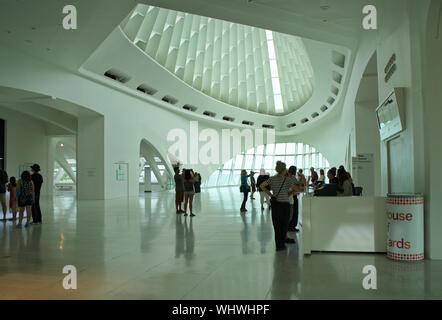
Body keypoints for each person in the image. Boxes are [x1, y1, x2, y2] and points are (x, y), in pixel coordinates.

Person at [260, 161, 303, 251]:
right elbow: (298, 189)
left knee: (277, 226)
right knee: (284, 225)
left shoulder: (271, 179)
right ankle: (282, 244)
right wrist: (299, 185)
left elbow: (262, 186)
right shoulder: (287, 179)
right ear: (283, 170)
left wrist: (271, 195)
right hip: (285, 205)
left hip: (275, 205)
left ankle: (278, 246)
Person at [287, 166, 300, 233]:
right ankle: (292, 226)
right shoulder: (292, 178)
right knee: (294, 212)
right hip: (292, 196)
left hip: (289, 196)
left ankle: (289, 226)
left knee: (290, 212)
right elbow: (298, 185)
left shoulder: (287, 177)